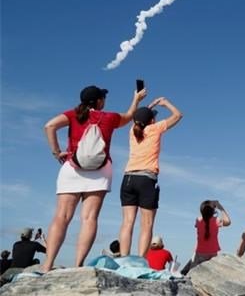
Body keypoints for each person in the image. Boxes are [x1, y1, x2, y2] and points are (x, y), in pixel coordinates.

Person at [42, 85, 146, 272]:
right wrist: (137, 99)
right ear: (99, 101)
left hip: (73, 168)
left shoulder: (73, 114)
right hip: (100, 171)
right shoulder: (110, 117)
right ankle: (78, 265)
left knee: (61, 216)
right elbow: (130, 115)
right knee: (89, 218)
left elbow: (49, 126)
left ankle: (47, 264)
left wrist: (57, 152)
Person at [119, 98, 183, 257]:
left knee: (127, 223)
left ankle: (124, 258)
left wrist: (147, 108)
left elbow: (139, 118)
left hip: (128, 178)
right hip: (146, 179)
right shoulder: (155, 129)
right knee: (146, 224)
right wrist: (165, 102)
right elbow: (178, 115)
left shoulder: (132, 131)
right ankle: (140, 260)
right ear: (152, 120)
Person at [181, 200, 231, 274]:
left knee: (191, 273)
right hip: (213, 253)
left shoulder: (198, 220)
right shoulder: (217, 220)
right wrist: (220, 208)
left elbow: (201, 220)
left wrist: (208, 208)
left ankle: (183, 273)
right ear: (213, 211)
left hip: (199, 253)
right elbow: (228, 222)